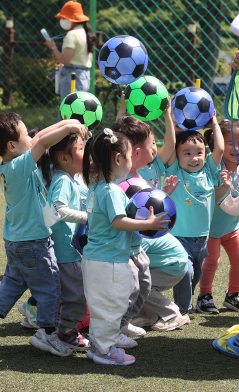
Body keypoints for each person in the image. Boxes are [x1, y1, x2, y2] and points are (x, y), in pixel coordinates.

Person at [0, 115, 89, 356]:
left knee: (13, 284)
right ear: (12, 146)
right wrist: (70, 125)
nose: (32, 138)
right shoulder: (19, 167)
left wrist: (65, 123)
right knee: (50, 288)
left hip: (14, 240)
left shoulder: (9, 167)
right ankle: (46, 334)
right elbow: (43, 142)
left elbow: (40, 137)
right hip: (34, 242)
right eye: (26, 135)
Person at [81, 129, 170, 366]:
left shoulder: (97, 186)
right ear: (118, 159)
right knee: (111, 306)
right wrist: (148, 223)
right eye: (129, 157)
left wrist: (161, 196)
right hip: (108, 261)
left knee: (106, 306)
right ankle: (104, 351)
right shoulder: (110, 190)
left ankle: (99, 346)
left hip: (97, 259)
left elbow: (123, 211)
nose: (131, 163)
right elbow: (118, 222)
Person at [112, 107, 188, 333]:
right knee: (132, 280)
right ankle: (145, 315)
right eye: (152, 144)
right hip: (162, 258)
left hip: (170, 264)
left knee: (131, 283)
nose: (155, 149)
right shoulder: (127, 179)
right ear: (135, 152)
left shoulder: (129, 181)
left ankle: (171, 314)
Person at [20, 133, 92, 351]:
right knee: (77, 296)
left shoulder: (66, 177)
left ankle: (47, 328)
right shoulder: (62, 180)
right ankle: (64, 332)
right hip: (64, 253)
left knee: (64, 295)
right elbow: (58, 209)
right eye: (80, 149)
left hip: (63, 251)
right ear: (63, 158)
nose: (85, 153)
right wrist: (88, 217)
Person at [197, 120, 239, 314]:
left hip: (233, 227)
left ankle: (234, 294)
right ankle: (204, 296)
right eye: (230, 142)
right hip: (210, 229)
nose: (237, 147)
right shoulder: (213, 167)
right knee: (212, 261)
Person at [163, 114, 224, 315]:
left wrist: (214, 123)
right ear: (177, 156)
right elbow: (170, 145)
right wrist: (170, 121)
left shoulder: (208, 171)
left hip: (202, 238)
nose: (194, 158)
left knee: (196, 274)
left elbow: (220, 149)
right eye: (187, 153)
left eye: (199, 152)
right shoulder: (176, 172)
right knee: (186, 272)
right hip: (179, 237)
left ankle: (186, 302)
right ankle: (183, 310)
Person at [131, 234, 189, 331]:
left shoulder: (141, 237)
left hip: (172, 266)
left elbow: (130, 262)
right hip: (169, 264)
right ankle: (146, 315)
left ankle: (172, 314)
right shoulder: (138, 233)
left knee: (139, 284)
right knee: (134, 282)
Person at [44, 1, 97, 100]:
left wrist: (53, 47)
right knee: (79, 110)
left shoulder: (71, 35)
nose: (62, 20)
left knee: (68, 111)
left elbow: (65, 60)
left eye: (64, 18)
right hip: (84, 75)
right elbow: (89, 59)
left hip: (72, 76)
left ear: (71, 20)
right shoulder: (85, 33)